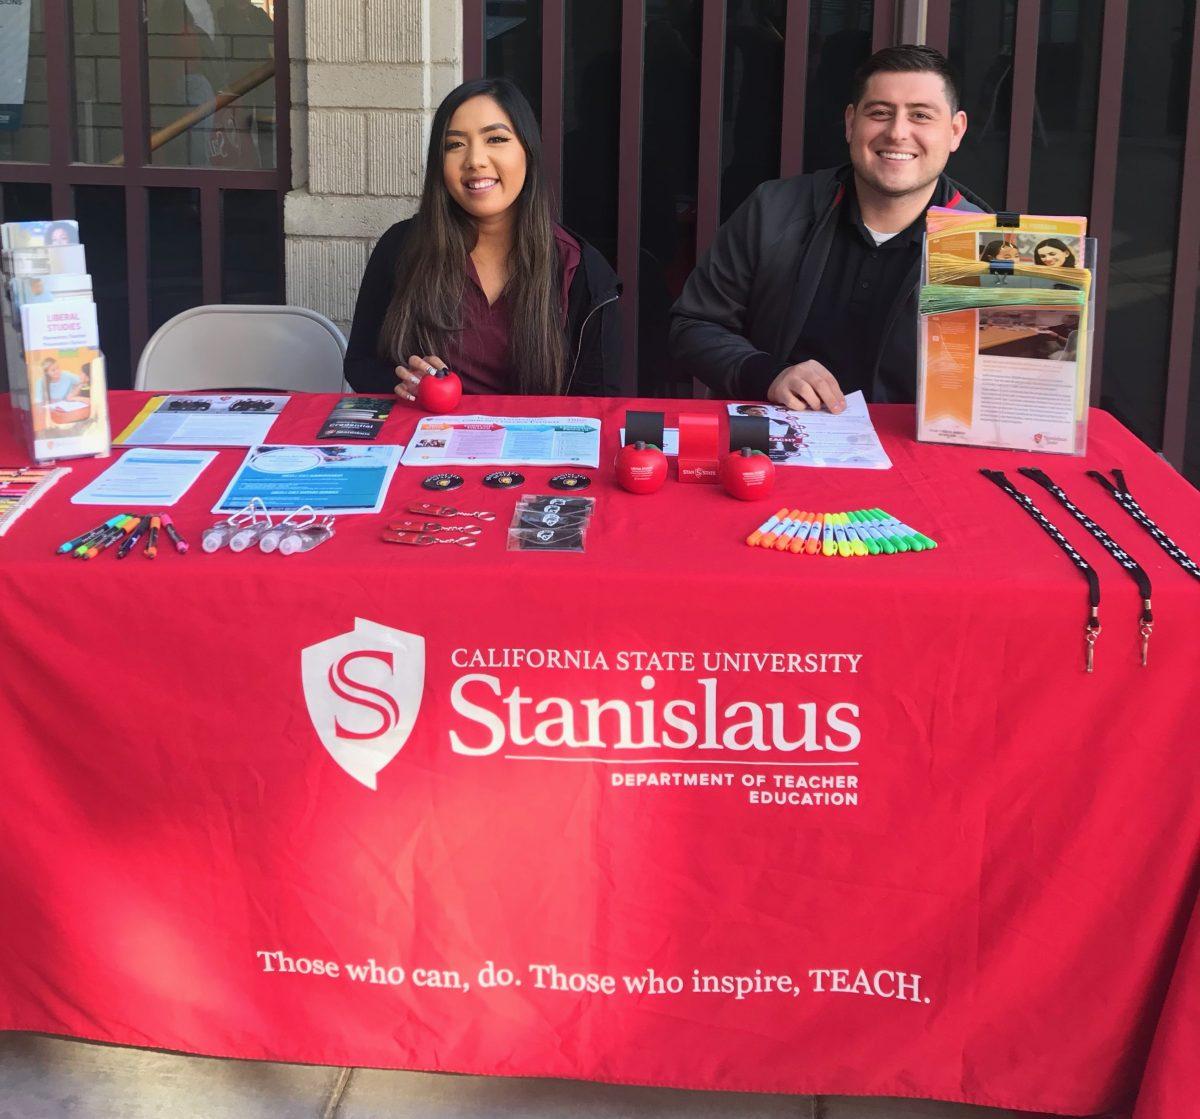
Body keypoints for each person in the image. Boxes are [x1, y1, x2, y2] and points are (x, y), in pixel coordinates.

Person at [669, 44, 989, 410]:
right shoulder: (773, 210)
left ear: (955, 131)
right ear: (851, 123)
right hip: (774, 446)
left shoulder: (986, 249)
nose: (898, 133)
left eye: (920, 116)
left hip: (916, 457)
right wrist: (767, 374)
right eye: (881, 112)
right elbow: (694, 325)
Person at [345, 78, 621, 399]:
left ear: (527, 152)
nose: (475, 160)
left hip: (532, 445)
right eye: (455, 145)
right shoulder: (401, 247)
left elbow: (600, 400)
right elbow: (360, 363)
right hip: (428, 442)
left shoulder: (579, 268)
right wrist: (402, 382)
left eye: (496, 138)